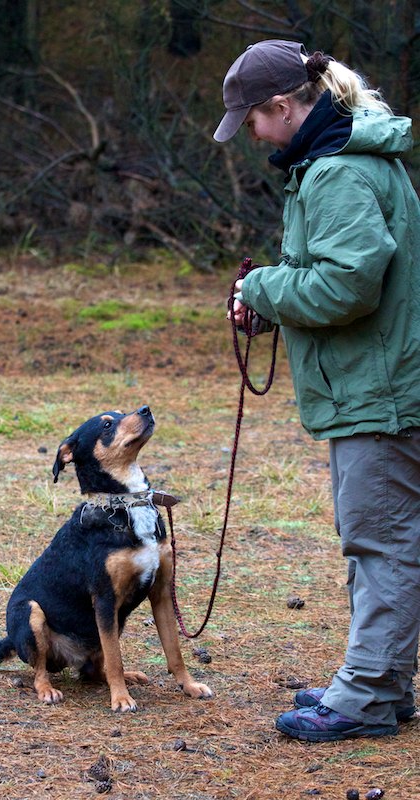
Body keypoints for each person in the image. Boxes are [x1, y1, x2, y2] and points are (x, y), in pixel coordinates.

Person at [216, 39, 420, 742]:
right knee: (381, 539)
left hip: (379, 391)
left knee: (380, 544)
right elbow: (345, 274)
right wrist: (274, 303)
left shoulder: (336, 173)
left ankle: (366, 696)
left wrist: (262, 288)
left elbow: (349, 286)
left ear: (282, 106)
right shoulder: (342, 162)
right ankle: (383, 684)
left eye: (251, 119)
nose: (250, 133)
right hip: (377, 382)